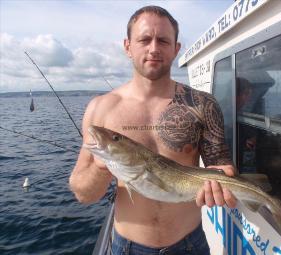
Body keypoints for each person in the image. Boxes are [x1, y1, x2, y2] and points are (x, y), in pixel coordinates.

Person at [69, 5, 236, 255]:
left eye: (164, 41)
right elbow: (83, 194)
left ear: (176, 48)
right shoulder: (100, 109)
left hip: (190, 243)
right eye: (144, 39)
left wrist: (224, 181)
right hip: (127, 247)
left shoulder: (202, 104)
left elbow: (222, 166)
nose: (154, 48)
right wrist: (101, 166)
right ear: (128, 46)